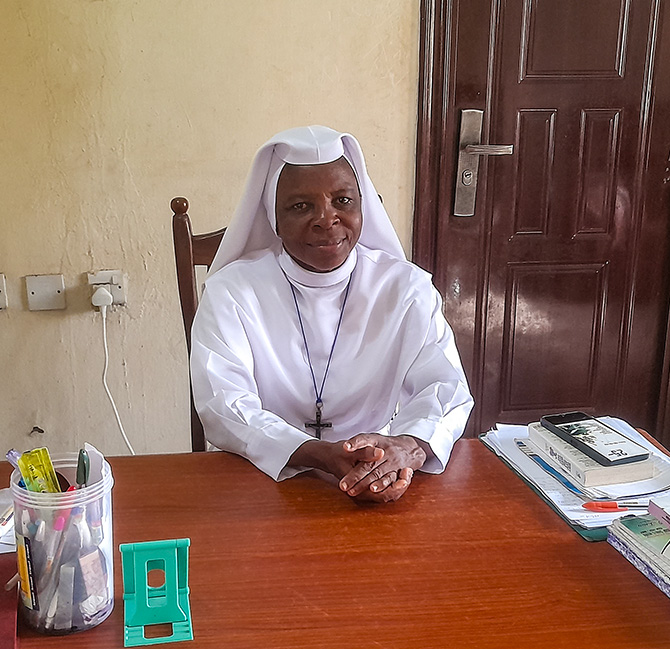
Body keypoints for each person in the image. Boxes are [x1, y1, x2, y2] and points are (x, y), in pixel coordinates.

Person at [190, 125, 473, 502]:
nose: (327, 219)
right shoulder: (232, 291)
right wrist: (319, 454)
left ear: (362, 205)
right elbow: (223, 402)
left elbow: (445, 387)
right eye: (300, 206)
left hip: (377, 471)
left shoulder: (405, 288)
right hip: (262, 474)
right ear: (273, 217)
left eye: (342, 200)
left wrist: (405, 447)